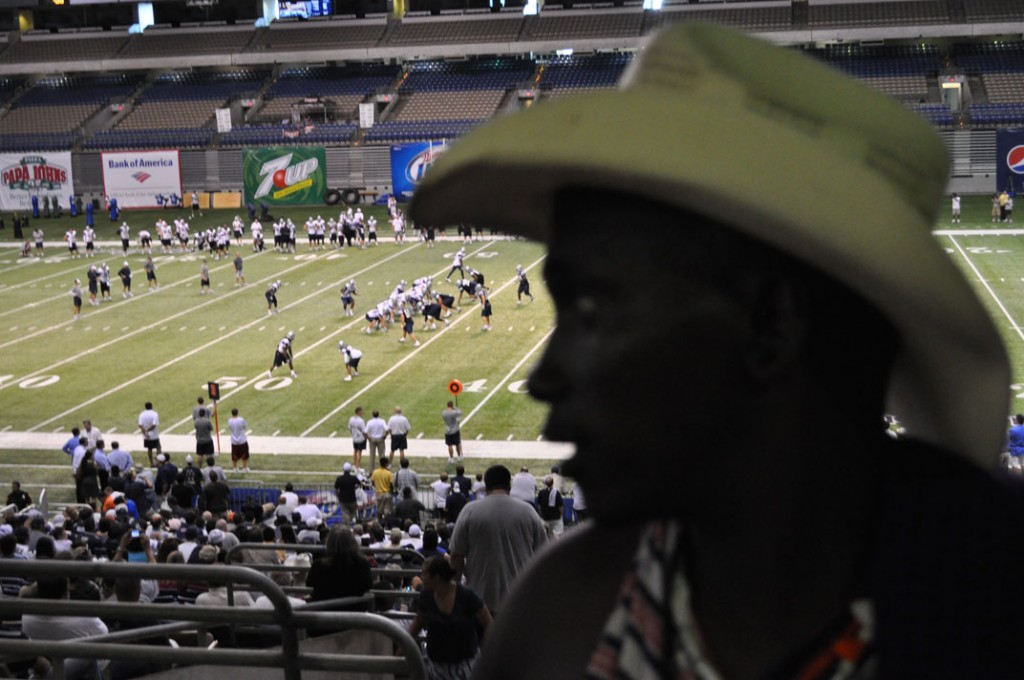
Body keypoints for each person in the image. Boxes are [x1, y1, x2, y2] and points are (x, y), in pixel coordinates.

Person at [409, 22, 1024, 678]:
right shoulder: (556, 611)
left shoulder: (570, 619)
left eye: (593, 310)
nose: (546, 378)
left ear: (770, 323)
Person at [447, 465, 548, 615]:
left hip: (480, 602)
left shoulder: (470, 510)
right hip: (518, 600)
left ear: (486, 486)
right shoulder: (527, 511)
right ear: (510, 485)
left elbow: (456, 557)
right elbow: (544, 554)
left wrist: (455, 591)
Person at [408, 556, 493, 680]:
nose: (422, 578)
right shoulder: (426, 597)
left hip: (466, 665)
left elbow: (488, 623)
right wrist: (402, 647)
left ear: (436, 577)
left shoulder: (467, 596)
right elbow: (417, 623)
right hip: (436, 667)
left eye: (424, 574)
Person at [370, 457, 394, 522]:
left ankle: (379, 523)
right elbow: (391, 484)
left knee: (379, 510)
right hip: (387, 493)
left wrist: (377, 486)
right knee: (387, 510)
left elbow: (372, 482)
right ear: (386, 464)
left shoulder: (375, 472)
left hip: (379, 494)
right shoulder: (389, 473)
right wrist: (391, 492)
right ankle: (386, 524)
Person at [137, 402, 160, 467]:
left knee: (149, 449)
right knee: (158, 447)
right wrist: (148, 430)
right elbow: (154, 424)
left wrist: (145, 432)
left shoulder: (142, 414)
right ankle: (158, 462)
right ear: (151, 406)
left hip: (146, 435)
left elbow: (140, 425)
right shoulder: (154, 414)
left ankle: (151, 463)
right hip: (154, 435)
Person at [228, 408, 250, 473]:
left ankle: (234, 468)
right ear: (237, 413)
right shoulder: (241, 420)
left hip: (234, 440)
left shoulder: (230, 420)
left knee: (234, 455)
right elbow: (245, 426)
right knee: (244, 455)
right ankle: (245, 468)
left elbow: (229, 427)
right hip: (242, 440)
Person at [348, 406, 367, 470]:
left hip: (354, 437)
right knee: (359, 452)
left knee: (355, 450)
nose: (362, 413)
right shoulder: (361, 420)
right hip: (360, 438)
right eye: (361, 412)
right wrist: (366, 437)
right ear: (358, 412)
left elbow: (349, 428)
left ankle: (355, 464)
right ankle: (357, 466)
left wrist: (353, 433)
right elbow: (364, 430)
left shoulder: (351, 419)